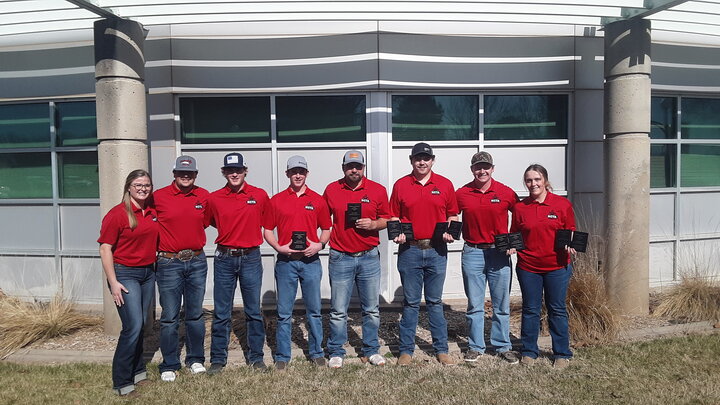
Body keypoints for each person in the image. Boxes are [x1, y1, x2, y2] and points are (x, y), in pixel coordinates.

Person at [389, 142, 458, 366]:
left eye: (426, 158)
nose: (422, 162)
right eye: (418, 158)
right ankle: (406, 351)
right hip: (409, 250)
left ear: (432, 160)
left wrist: (450, 232)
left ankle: (441, 349)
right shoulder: (401, 185)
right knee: (410, 302)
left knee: (435, 301)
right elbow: (394, 217)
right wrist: (397, 234)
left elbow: (453, 216)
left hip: (437, 250)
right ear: (411, 160)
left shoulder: (445, 184)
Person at [323, 150, 390, 368]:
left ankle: (371, 349)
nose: (354, 170)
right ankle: (336, 350)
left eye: (358, 166)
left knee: (371, 308)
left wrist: (373, 224)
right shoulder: (332, 190)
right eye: (350, 166)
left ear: (363, 168)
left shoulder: (377, 190)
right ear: (343, 168)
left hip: (368, 257)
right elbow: (323, 220)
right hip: (340, 256)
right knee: (338, 310)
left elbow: (387, 219)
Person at [263, 155, 331, 371]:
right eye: (294, 172)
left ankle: (317, 352)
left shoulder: (318, 200)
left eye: (301, 172)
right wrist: (278, 247)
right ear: (287, 174)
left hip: (311, 262)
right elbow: (267, 230)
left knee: (314, 310)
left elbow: (327, 228)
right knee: (284, 313)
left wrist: (319, 245)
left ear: (307, 174)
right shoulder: (277, 200)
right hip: (286, 262)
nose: (298, 175)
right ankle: (283, 355)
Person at [205, 152, 270, 374]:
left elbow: (267, 221)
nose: (235, 174)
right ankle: (217, 359)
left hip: (251, 257)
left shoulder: (259, 195)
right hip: (224, 258)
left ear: (245, 171)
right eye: (230, 170)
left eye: (238, 170)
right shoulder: (214, 198)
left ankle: (256, 357)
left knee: (253, 310)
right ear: (224, 172)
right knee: (222, 312)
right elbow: (210, 221)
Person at [98, 169, 158, 396]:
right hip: (125, 274)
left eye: (147, 185)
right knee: (132, 327)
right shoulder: (118, 214)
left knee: (141, 325)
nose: (143, 188)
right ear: (129, 187)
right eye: (138, 185)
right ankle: (122, 382)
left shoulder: (151, 211)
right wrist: (113, 282)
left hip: (147, 274)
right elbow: (105, 248)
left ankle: (139, 372)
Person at [456, 151, 520, 364]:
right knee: (475, 304)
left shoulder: (505, 192)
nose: (481, 171)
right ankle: (475, 346)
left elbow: (521, 216)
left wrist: (512, 241)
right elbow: (450, 215)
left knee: (501, 304)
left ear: (492, 168)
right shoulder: (462, 193)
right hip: (472, 252)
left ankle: (502, 346)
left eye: (486, 167)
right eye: (477, 167)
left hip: (498, 253)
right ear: (472, 169)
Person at [510, 163, 576, 369]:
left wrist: (570, 244)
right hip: (529, 267)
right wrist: (511, 246)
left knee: (557, 309)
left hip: (557, 266)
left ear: (545, 181)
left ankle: (562, 353)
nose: (533, 184)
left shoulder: (562, 205)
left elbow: (571, 230)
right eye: (529, 180)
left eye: (537, 179)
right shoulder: (520, 207)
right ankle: (529, 351)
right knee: (530, 309)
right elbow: (515, 234)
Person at [153, 155, 210, 381]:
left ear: (195, 175)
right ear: (174, 174)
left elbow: (204, 222)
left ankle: (195, 359)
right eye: (181, 173)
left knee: (195, 314)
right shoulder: (158, 197)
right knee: (169, 316)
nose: (185, 176)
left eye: (190, 173)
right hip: (169, 263)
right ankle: (169, 363)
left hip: (196, 260)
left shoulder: (203, 196)